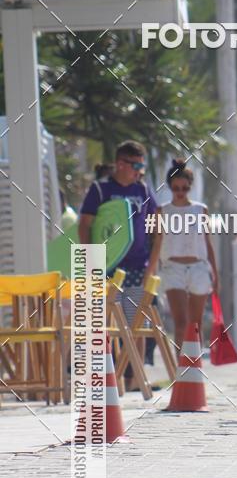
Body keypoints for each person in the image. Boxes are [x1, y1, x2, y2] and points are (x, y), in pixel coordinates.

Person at [79, 140, 159, 390]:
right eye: (136, 166)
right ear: (121, 164)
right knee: (103, 325)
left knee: (136, 324)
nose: (139, 171)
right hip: (107, 268)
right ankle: (104, 380)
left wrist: (151, 268)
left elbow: (158, 231)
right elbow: (85, 226)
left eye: (142, 166)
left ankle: (135, 380)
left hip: (137, 268)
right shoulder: (100, 190)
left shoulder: (143, 190)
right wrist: (91, 262)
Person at [153, 159, 219, 352]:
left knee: (195, 324)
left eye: (185, 188)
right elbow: (157, 243)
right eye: (176, 188)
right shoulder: (162, 211)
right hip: (172, 269)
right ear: (170, 187)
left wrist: (215, 274)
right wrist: (150, 272)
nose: (180, 192)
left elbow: (208, 243)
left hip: (199, 268)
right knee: (181, 324)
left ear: (190, 186)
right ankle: (181, 367)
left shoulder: (201, 210)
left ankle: (194, 366)